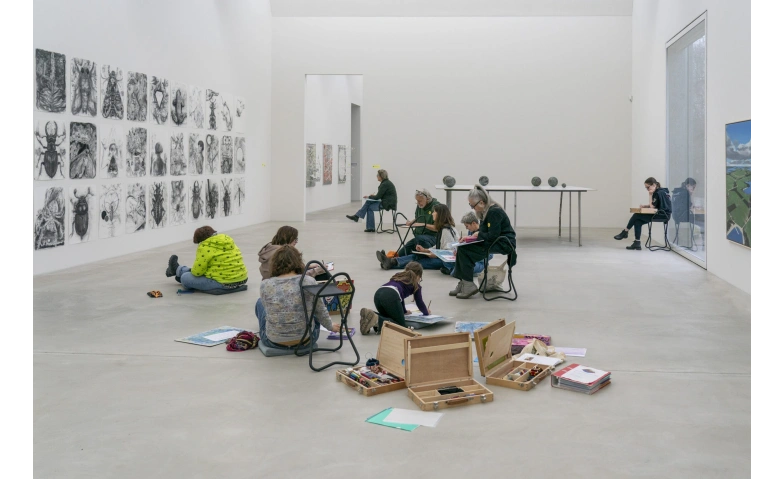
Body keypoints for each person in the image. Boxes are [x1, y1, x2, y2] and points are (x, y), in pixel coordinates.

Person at [255, 245, 340, 351]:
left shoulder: (265, 284)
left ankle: (276, 331)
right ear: (298, 261)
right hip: (306, 340)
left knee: (260, 303)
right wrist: (330, 326)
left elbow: (268, 310)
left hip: (273, 341)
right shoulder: (308, 281)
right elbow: (320, 310)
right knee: (313, 309)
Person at [450, 185, 516, 299]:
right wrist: (470, 238)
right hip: (495, 241)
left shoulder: (494, 212)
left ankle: (468, 285)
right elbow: (486, 233)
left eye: (473, 205)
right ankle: (464, 282)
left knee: (465, 251)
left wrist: (477, 235)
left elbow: (493, 235)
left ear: (481, 202)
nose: (472, 208)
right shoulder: (486, 211)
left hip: (503, 243)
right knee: (462, 248)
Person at [165, 226, 248, 292]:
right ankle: (177, 269)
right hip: (241, 280)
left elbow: (197, 272)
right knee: (204, 269)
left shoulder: (205, 246)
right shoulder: (227, 240)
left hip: (223, 283)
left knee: (185, 277)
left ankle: (178, 271)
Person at [377, 203, 456, 271]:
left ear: (439, 214)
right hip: (440, 259)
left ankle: (390, 263)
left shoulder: (446, 231)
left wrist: (434, 255)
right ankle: (390, 261)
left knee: (418, 262)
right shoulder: (444, 229)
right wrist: (425, 250)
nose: (432, 214)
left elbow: (449, 253)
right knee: (417, 256)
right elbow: (439, 246)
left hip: (443, 262)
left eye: (434, 212)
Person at [359, 262, 430, 335]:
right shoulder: (416, 285)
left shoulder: (398, 276)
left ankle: (370, 315)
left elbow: (401, 298)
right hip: (391, 295)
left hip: (378, 294)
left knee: (388, 317)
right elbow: (419, 302)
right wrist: (426, 312)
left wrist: (404, 311)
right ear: (418, 276)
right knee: (400, 327)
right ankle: (376, 319)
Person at [614, 177, 672, 250]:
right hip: (665, 215)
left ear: (654, 185)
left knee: (636, 215)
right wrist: (645, 206)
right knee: (638, 222)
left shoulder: (657, 193)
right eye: (646, 188)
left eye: (648, 187)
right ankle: (637, 243)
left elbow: (652, 207)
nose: (647, 189)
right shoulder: (663, 191)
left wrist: (650, 195)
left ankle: (625, 232)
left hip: (661, 215)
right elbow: (657, 205)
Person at [257, 226, 326, 280]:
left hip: (272, 283)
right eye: (295, 239)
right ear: (288, 238)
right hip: (283, 286)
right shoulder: (283, 254)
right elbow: (293, 279)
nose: (296, 242)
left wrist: (307, 267)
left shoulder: (270, 249)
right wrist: (317, 271)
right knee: (323, 275)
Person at [440, 210, 493, 276]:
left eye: (467, 226)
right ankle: (456, 269)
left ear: (473, 223)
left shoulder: (484, 233)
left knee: (461, 268)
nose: (466, 228)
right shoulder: (471, 231)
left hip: (479, 262)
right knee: (446, 260)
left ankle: (453, 270)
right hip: (469, 259)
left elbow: (489, 255)